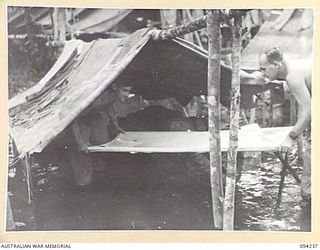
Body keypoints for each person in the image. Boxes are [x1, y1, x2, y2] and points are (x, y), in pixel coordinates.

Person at [258, 47, 312, 203]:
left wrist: (291, 137)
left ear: (276, 65)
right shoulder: (294, 66)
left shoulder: (293, 76)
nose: (262, 74)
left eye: (263, 69)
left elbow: (308, 111)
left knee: (308, 189)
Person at [68, 83, 132, 187]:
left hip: (93, 119)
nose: (127, 94)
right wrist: (80, 141)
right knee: (82, 153)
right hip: (79, 123)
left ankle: (99, 182)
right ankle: (83, 188)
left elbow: (109, 106)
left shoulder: (111, 96)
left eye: (129, 91)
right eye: (124, 90)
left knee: (101, 149)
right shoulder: (96, 98)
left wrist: (116, 125)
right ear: (115, 88)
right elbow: (73, 118)